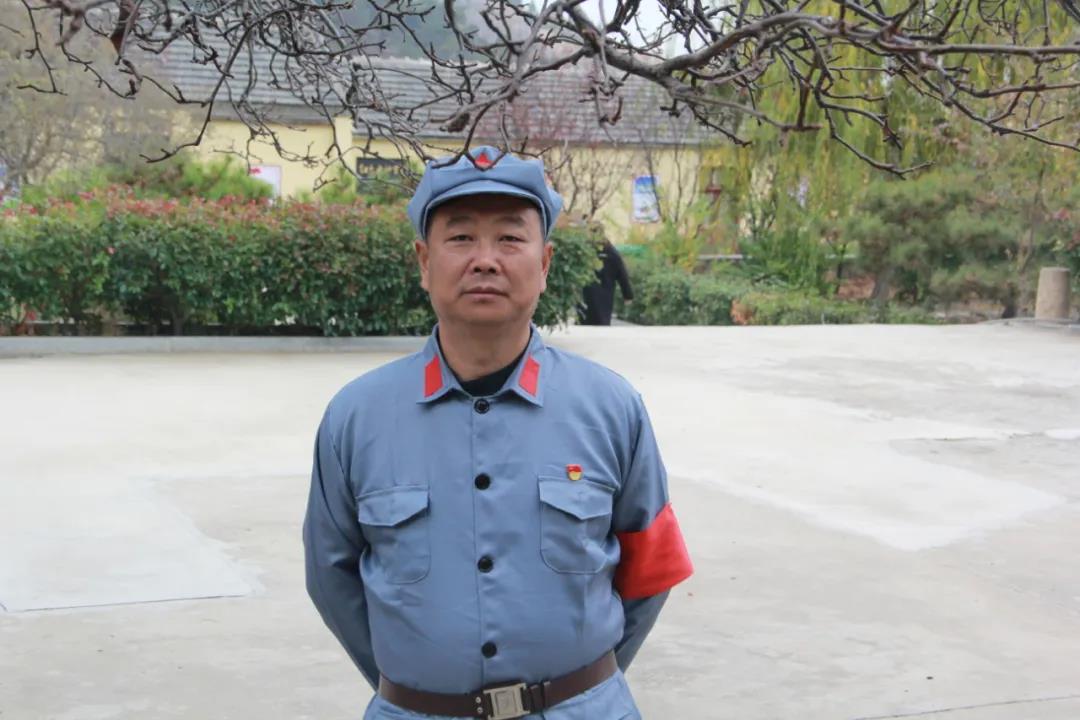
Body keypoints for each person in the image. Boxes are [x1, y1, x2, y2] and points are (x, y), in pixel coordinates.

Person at [303, 146, 693, 720]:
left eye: (510, 238)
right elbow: (330, 575)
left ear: (546, 263)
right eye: (461, 238)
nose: (485, 260)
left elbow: (652, 567)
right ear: (423, 261)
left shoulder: (612, 408)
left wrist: (584, 685)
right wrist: (420, 686)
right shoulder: (357, 417)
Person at [579, 235, 634, 325]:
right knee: (602, 322)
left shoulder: (584, 250)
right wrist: (628, 295)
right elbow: (622, 274)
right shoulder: (612, 252)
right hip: (606, 294)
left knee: (587, 322)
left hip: (588, 294)